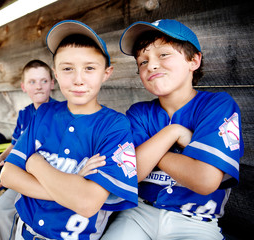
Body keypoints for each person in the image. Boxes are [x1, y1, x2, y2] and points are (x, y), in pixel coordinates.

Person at [101, 19, 244, 240]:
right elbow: (132, 172)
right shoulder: (139, 113)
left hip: (195, 219)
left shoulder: (216, 106)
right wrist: (173, 133)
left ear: (194, 60)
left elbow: (205, 180)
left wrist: (152, 151)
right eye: (142, 61)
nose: (151, 66)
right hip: (138, 213)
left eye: (164, 55)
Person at [0, 20, 139, 240]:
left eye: (90, 68)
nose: (78, 79)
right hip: (25, 232)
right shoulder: (44, 113)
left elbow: (86, 203)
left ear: (106, 72)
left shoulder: (114, 126)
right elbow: (8, 175)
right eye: (67, 69)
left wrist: (35, 164)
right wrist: (71, 185)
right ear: (55, 73)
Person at [0, 59, 56, 240]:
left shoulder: (59, 112)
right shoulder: (25, 113)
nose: (38, 87)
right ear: (23, 87)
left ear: (52, 83)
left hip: (35, 177)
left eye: (44, 81)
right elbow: (15, 144)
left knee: (1, 210)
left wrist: (10, 174)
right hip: (12, 168)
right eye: (32, 82)